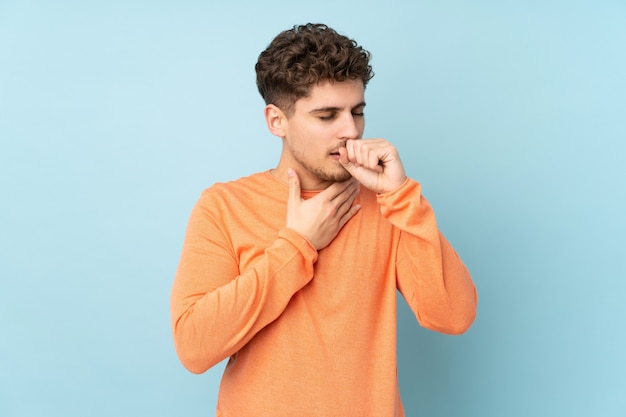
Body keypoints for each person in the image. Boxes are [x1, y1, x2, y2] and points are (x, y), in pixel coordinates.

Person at [170, 23, 477, 417]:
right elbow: (194, 347)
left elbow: (453, 315)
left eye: (357, 111)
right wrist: (298, 244)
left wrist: (400, 196)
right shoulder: (225, 206)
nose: (350, 131)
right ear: (276, 121)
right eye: (327, 115)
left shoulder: (388, 204)